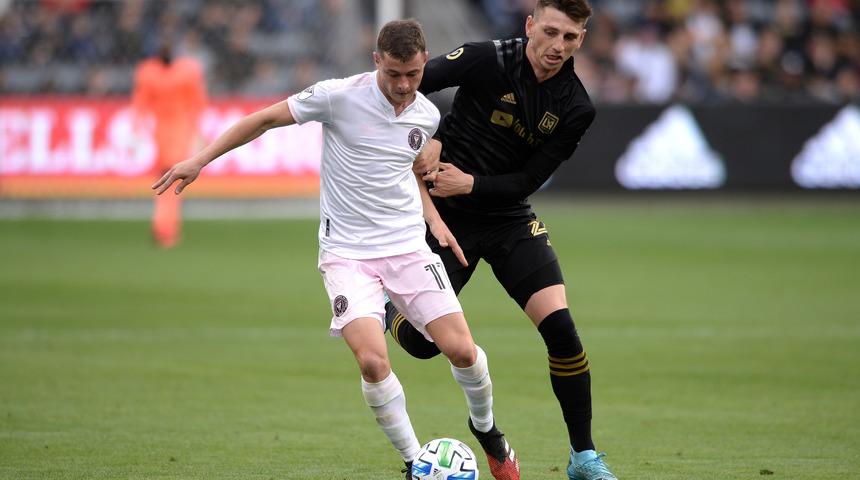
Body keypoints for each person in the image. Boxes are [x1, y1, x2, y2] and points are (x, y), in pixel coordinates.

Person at [151, 20, 520, 480]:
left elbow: (402, 169)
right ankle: (413, 463)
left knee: (463, 352)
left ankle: (487, 432)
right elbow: (262, 119)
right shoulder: (338, 96)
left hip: (407, 247)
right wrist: (198, 160)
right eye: (393, 75)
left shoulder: (426, 114)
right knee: (371, 360)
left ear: (424, 64)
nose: (403, 86)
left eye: (412, 74)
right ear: (376, 63)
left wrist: (433, 217)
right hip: (347, 254)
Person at [383, 2, 618, 479]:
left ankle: (584, 458)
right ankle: (391, 307)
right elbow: (404, 88)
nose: (558, 46)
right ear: (530, 25)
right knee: (422, 344)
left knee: (562, 332)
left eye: (570, 38)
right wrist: (423, 135)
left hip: (508, 217)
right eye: (550, 32)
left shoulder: (576, 107)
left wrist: (469, 183)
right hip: (444, 220)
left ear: (582, 40)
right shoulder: (486, 58)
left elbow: (530, 178)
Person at [132, 42, 207, 249]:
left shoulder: (149, 73)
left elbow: (141, 104)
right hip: (176, 133)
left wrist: (136, 131)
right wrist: (198, 134)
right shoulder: (187, 71)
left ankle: (164, 226)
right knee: (172, 183)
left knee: (166, 181)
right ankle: (165, 229)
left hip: (166, 133)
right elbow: (198, 104)